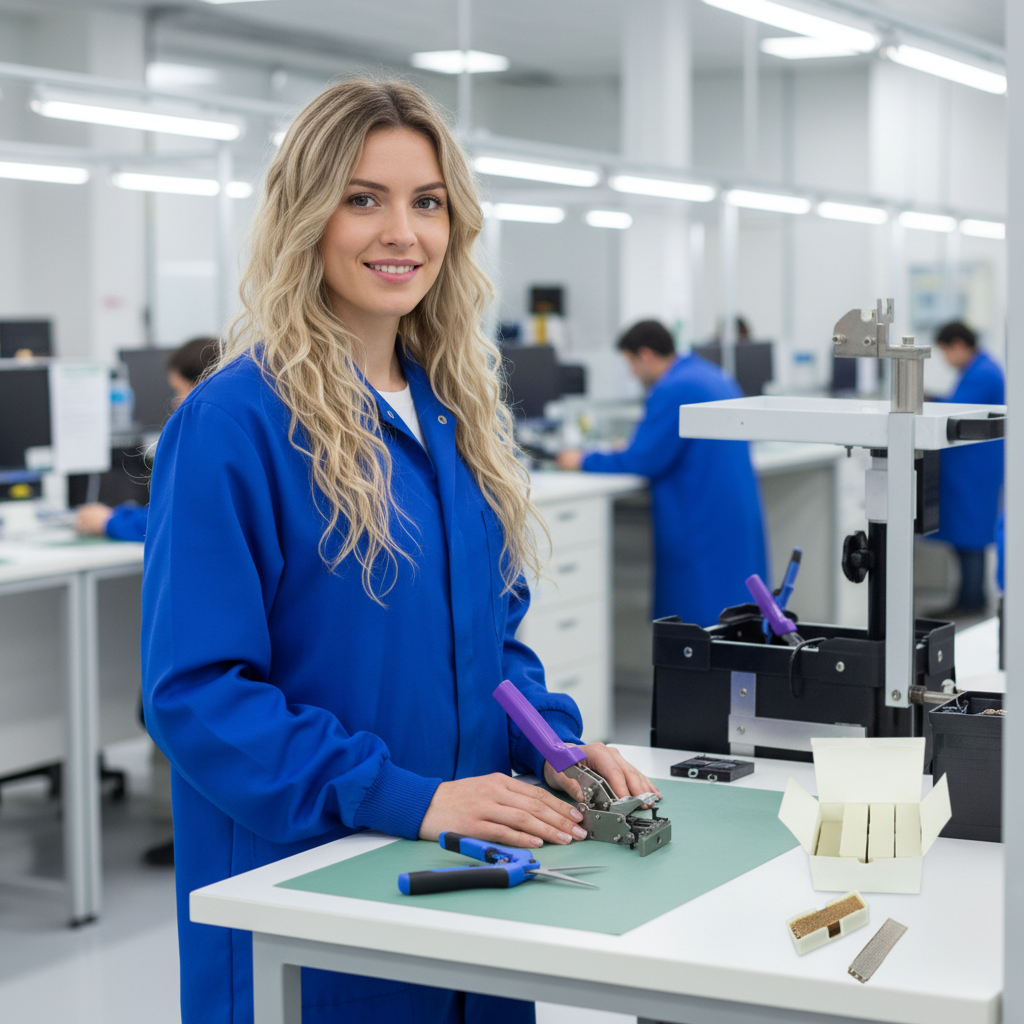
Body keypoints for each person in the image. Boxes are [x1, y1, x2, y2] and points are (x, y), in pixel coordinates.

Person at [141, 79, 658, 1024]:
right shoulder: (232, 424)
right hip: (308, 890)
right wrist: (403, 797)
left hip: (478, 886)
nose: (402, 232)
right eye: (362, 197)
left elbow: (491, 644)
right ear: (306, 214)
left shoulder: (455, 416)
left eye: (427, 202)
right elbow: (197, 693)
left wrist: (551, 743)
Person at [557, 320, 768, 626]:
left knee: (697, 622)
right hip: (730, 515)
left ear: (645, 356)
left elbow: (643, 460)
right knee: (734, 615)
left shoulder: (674, 388)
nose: (631, 374)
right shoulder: (709, 376)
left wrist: (583, 459)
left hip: (699, 522)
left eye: (629, 364)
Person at [75, 336, 220, 542]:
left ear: (203, 387)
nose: (174, 404)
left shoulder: (209, 449)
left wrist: (109, 522)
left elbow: (177, 522)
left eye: (178, 391)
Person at [931, 321, 1004, 613]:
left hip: (975, 469)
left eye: (945, 352)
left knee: (970, 536)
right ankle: (969, 597)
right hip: (973, 468)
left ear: (958, 345)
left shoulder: (983, 373)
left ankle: (971, 600)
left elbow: (957, 410)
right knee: (968, 534)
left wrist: (933, 402)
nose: (945, 360)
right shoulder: (980, 368)